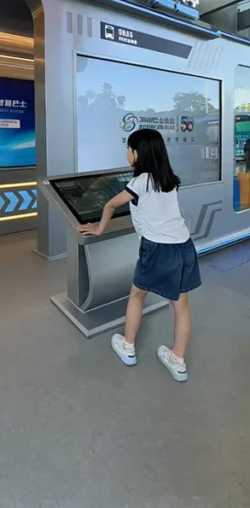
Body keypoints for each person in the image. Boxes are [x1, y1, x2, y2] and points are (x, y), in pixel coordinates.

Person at [78, 128, 200, 382]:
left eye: (129, 148)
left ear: (137, 154)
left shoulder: (140, 181)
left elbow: (111, 203)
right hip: (184, 246)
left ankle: (128, 346)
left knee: (137, 294)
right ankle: (178, 361)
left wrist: (99, 228)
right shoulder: (169, 179)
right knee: (181, 305)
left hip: (157, 249)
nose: (127, 152)